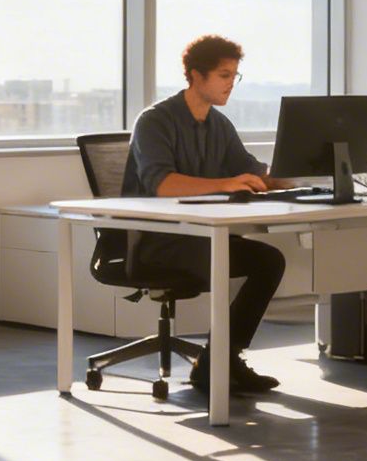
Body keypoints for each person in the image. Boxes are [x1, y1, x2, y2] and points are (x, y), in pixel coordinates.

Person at [124, 34, 289, 394]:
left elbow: (251, 171)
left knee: (268, 260)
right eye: (224, 75)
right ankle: (218, 365)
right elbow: (162, 185)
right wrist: (227, 184)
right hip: (159, 242)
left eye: (235, 76)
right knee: (227, 254)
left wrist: (301, 175)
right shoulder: (155, 121)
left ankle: (220, 360)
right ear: (197, 76)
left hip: (201, 236)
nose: (232, 84)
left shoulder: (219, 125)